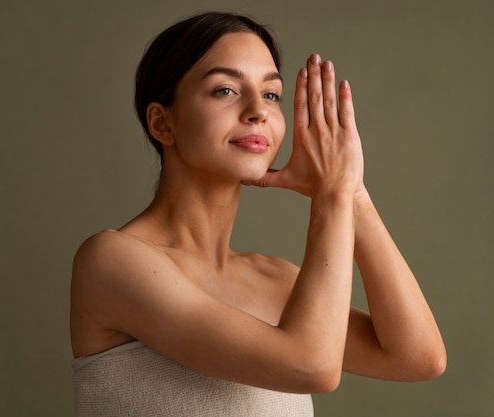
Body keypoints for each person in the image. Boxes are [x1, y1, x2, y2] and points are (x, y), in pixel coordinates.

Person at [70, 11, 446, 416]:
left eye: (270, 94)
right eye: (225, 90)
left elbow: (418, 357)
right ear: (163, 123)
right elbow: (312, 367)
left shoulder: (275, 281)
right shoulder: (111, 261)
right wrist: (331, 195)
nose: (257, 111)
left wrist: (352, 191)